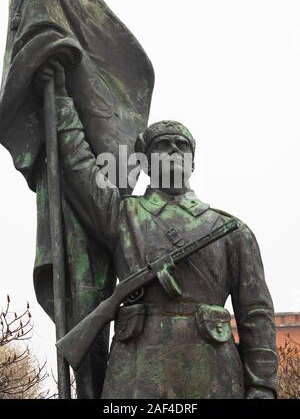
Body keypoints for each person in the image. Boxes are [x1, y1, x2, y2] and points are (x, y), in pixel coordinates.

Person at [36, 60, 278, 399]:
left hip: (213, 373)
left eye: (183, 146)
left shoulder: (231, 231)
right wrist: (60, 98)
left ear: (192, 162)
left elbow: (256, 315)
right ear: (146, 163)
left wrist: (263, 386)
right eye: (164, 145)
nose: (175, 151)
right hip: (135, 372)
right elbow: (78, 166)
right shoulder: (123, 215)